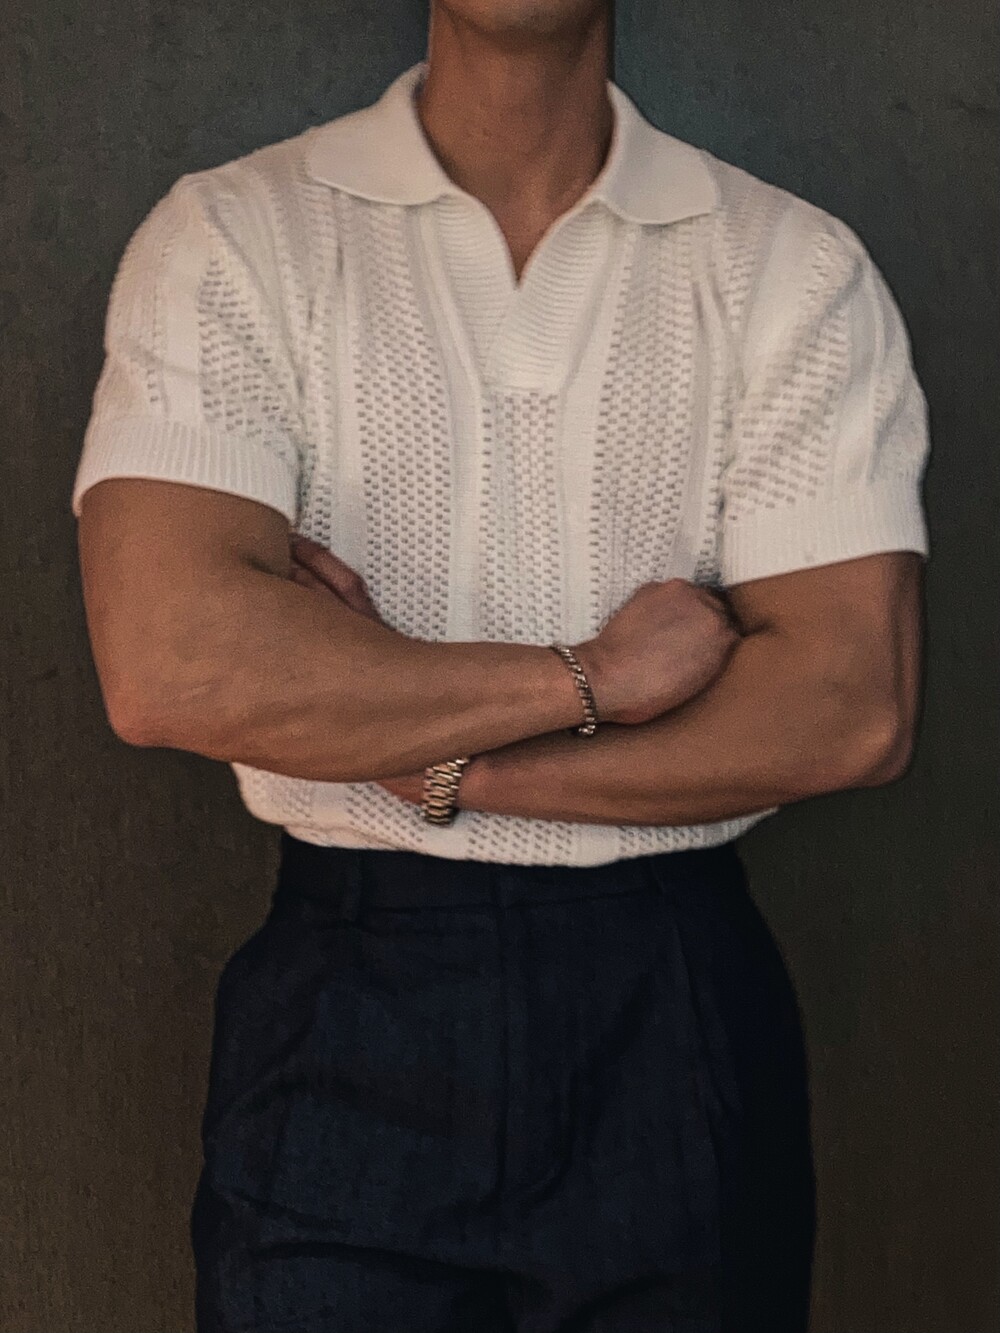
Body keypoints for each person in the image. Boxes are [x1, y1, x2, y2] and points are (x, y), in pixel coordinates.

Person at [71, 1, 930, 1328]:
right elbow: (173, 662)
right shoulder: (235, 234)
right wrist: (593, 675)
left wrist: (440, 764)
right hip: (347, 989)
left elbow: (849, 707)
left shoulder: (788, 264)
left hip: (670, 1000)